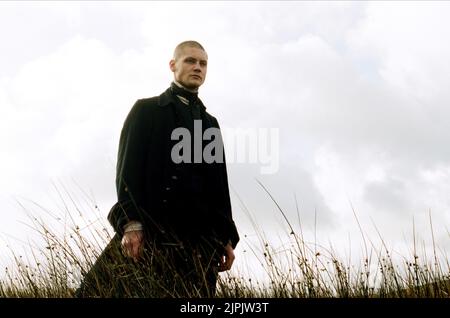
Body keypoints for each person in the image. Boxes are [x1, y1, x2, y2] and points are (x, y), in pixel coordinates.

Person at [76, 40, 239, 298]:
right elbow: (127, 173)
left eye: (203, 63)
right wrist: (130, 224)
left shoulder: (210, 124)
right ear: (173, 65)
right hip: (151, 235)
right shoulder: (147, 111)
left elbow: (218, 186)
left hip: (200, 243)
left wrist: (226, 237)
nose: (197, 67)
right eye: (190, 61)